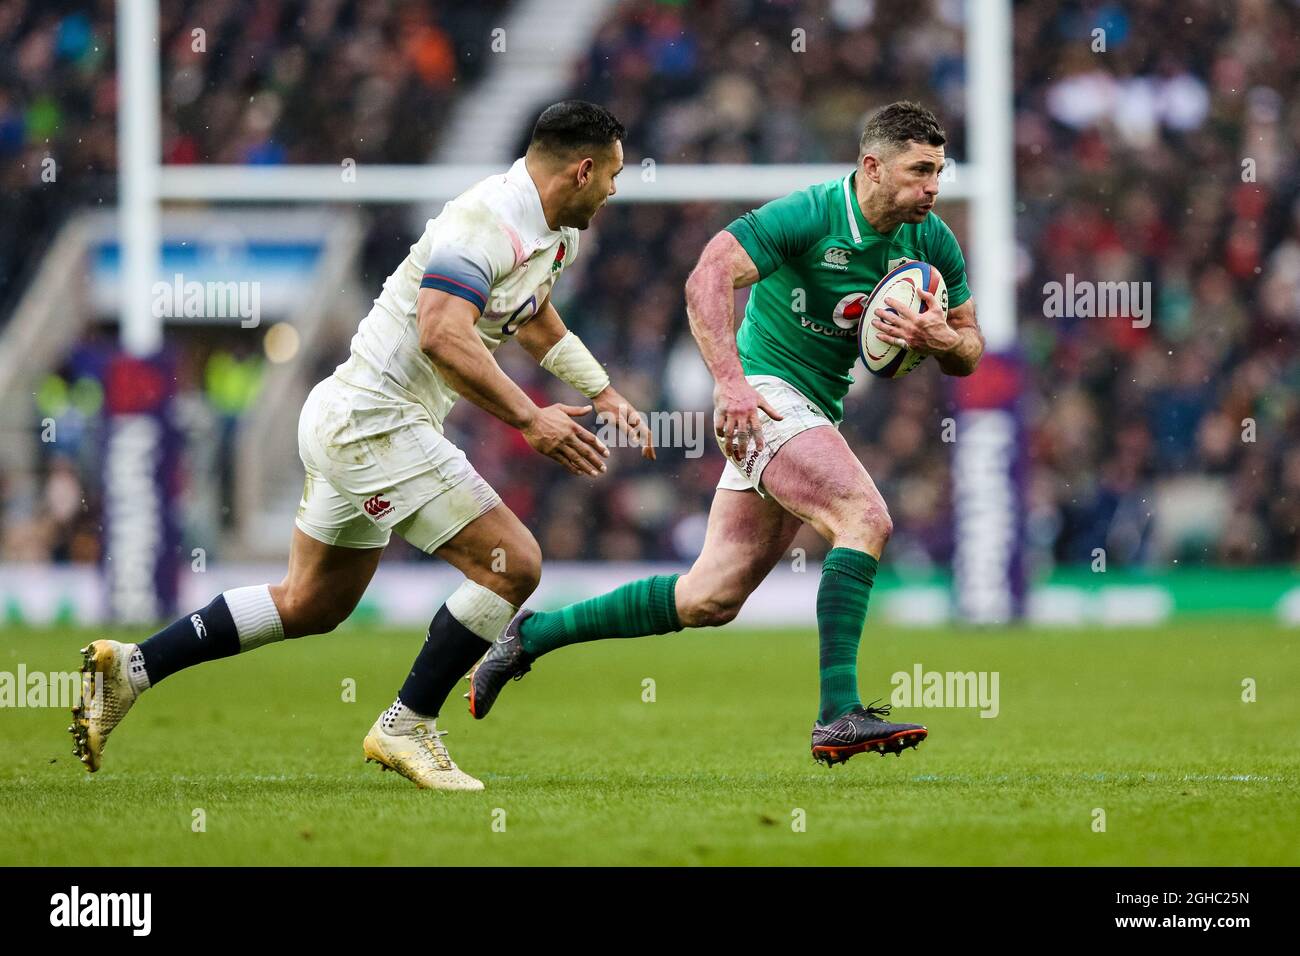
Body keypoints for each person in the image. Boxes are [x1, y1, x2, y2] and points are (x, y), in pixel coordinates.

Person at [71, 101, 653, 790]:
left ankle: (131, 669)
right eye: (612, 175)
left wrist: (601, 390)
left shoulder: (555, 234)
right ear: (582, 169)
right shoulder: (484, 221)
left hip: (351, 418)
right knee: (513, 564)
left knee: (311, 602)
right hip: (375, 423)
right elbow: (442, 332)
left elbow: (530, 316)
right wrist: (529, 419)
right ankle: (407, 725)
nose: (615, 190)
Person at [469, 101, 983, 767]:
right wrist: (731, 382)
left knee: (709, 596)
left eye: (939, 171)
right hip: (763, 399)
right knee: (864, 516)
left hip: (811, 412)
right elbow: (709, 271)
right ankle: (837, 714)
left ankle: (531, 636)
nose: (933, 186)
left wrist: (946, 341)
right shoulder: (812, 214)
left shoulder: (932, 241)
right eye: (919, 171)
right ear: (872, 166)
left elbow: (971, 347)